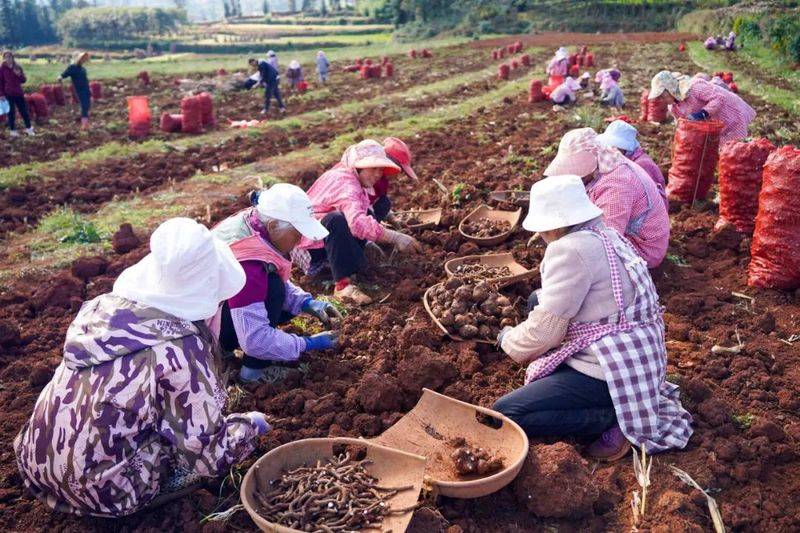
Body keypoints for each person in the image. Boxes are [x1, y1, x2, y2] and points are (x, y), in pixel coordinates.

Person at [14, 218, 269, 517]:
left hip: (35, 464)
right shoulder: (181, 350)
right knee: (186, 454)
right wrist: (249, 426)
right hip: (104, 494)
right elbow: (211, 456)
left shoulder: (101, 309)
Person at [493, 176, 693, 461]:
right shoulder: (605, 232)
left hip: (612, 370)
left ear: (555, 224)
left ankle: (611, 419)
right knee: (537, 299)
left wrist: (507, 339)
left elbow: (545, 332)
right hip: (641, 356)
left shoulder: (569, 250)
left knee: (507, 412)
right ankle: (614, 405)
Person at [212, 183, 342, 384]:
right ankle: (254, 372)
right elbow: (255, 341)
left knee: (275, 288)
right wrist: (307, 344)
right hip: (206, 330)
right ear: (273, 225)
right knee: (273, 290)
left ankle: (223, 351)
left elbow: (270, 274)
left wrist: (307, 303)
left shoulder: (254, 223)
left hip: (214, 314)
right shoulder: (249, 265)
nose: (300, 241)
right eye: (297, 233)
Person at [296, 140, 423, 305]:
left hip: (320, 238)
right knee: (337, 220)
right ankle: (342, 286)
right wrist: (394, 237)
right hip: (307, 245)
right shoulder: (346, 182)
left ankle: (354, 262)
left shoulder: (354, 178)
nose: (378, 174)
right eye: (373, 168)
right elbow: (357, 223)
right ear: (359, 167)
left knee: (367, 213)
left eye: (380, 169)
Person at [544, 127, 669, 269]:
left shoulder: (617, 183)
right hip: (625, 232)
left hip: (643, 250)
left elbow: (606, 240)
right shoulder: (606, 159)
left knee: (584, 260)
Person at [648, 70, 755, 144]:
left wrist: (702, 114)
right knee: (720, 148)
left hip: (730, 112)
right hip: (715, 123)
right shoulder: (673, 107)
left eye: (663, 96)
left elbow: (719, 98)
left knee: (737, 147)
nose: (663, 100)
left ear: (670, 89)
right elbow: (680, 122)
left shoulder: (694, 87)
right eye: (660, 97)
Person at [597, 120, 667, 209]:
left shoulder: (642, 165)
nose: (610, 150)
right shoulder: (623, 159)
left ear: (625, 147)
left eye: (614, 147)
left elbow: (654, 201)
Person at [0, 50, 34, 137]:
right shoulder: (2, 69)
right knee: (11, 113)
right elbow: (1, 82)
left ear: (12, 57)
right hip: (8, 94)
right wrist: (1, 94)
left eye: (9, 57)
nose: (8, 59)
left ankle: (29, 129)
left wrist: (19, 74)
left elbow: (24, 80)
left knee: (24, 111)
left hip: (18, 93)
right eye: (6, 57)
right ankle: (13, 131)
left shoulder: (17, 67)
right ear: (4, 58)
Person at [59, 51, 91, 130]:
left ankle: (85, 122)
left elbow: (85, 80)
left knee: (87, 106)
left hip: (86, 89)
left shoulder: (83, 69)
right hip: (79, 90)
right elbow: (64, 74)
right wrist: (60, 77)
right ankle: (84, 125)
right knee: (84, 105)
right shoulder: (72, 67)